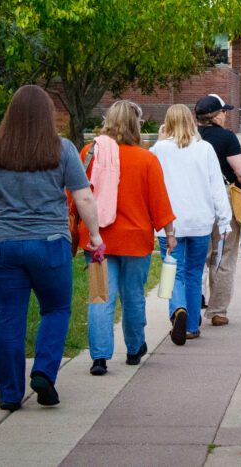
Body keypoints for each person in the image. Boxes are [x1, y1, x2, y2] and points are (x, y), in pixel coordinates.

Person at [0, 85, 103, 411]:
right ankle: (43, 372)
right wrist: (94, 234)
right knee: (56, 309)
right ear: (47, 115)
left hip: (2, 244)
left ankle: (10, 394)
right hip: (49, 244)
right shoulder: (62, 149)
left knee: (9, 317)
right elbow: (82, 196)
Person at [74, 100, 176, 376]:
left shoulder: (89, 153)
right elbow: (159, 201)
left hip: (98, 240)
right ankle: (133, 348)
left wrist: (73, 232)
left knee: (100, 297)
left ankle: (99, 357)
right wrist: (169, 232)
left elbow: (76, 195)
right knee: (133, 297)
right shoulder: (146, 159)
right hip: (135, 240)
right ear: (135, 124)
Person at [151, 105, 232, 345]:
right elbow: (217, 186)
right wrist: (224, 219)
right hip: (200, 221)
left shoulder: (158, 150)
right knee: (194, 272)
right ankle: (192, 325)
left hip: (170, 222)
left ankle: (177, 310)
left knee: (171, 270)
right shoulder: (205, 149)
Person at [195, 93, 241, 327]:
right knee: (224, 255)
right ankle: (217, 311)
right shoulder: (227, 138)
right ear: (216, 115)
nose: (226, 115)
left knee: (197, 256)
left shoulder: (191, 138)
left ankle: (190, 306)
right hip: (223, 200)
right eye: (224, 111)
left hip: (195, 200)